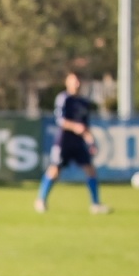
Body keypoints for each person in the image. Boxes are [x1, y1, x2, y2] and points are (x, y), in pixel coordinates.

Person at [36, 71, 110, 214]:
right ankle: (41, 200)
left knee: (90, 169)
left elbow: (85, 126)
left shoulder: (84, 103)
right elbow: (60, 120)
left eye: (78, 81)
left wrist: (91, 142)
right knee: (55, 170)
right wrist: (75, 127)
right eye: (74, 81)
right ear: (67, 83)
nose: (77, 84)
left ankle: (95, 204)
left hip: (78, 142)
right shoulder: (64, 98)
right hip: (64, 141)